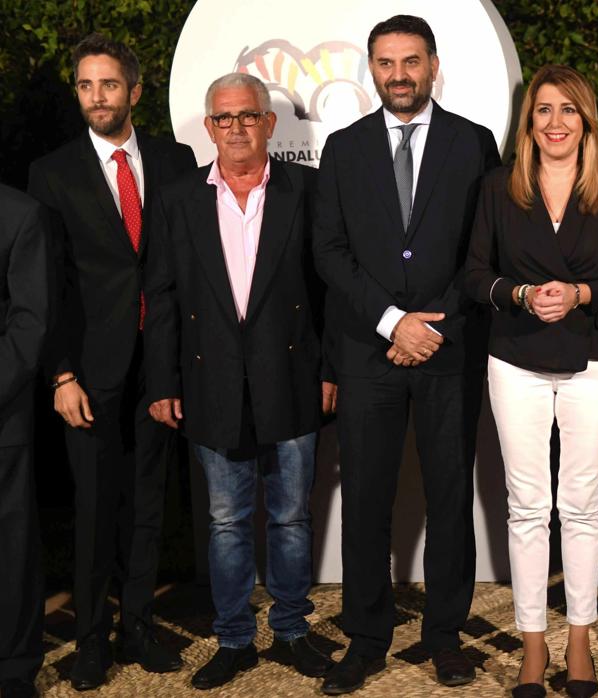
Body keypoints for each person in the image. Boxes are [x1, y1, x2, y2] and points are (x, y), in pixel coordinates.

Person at [312, 14, 501, 695]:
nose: (399, 74)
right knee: (365, 498)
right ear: (372, 68)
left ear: (433, 65)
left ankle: (446, 637)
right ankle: (365, 638)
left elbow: (486, 250)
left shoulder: (474, 144)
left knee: (451, 496)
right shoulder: (343, 148)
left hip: (448, 352)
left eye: (411, 61)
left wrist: (434, 326)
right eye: (386, 62)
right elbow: (328, 250)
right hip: (369, 352)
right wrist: (394, 323)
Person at [142, 72, 335, 689]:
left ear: (270, 124)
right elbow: (163, 297)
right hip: (210, 384)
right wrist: (162, 382)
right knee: (226, 521)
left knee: (291, 518)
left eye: (248, 116)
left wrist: (331, 369)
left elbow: (329, 291)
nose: (236, 129)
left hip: (293, 378)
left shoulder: (307, 189)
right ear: (209, 128)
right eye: (224, 119)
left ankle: (293, 630)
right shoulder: (178, 199)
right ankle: (232, 639)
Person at [464, 64, 598, 698]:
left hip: (595, 358)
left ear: (587, 121)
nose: (556, 122)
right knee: (526, 506)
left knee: (581, 505)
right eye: (543, 110)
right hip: (514, 357)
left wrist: (583, 293)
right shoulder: (498, 188)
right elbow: (474, 277)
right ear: (528, 122)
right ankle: (533, 646)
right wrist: (517, 292)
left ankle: (579, 640)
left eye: (568, 110)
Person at [26, 33, 197, 691]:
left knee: (150, 504)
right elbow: (46, 286)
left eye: (109, 85)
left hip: (160, 366)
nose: (97, 97)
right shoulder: (53, 171)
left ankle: (142, 631)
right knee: (94, 506)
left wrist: (182, 365)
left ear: (134, 91)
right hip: (88, 372)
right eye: (86, 86)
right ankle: (91, 640)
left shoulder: (176, 160)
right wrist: (60, 374)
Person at [0, 186, 51, 698]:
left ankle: (13, 668)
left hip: (1, 413)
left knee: (9, 543)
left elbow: (29, 320)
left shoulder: (18, 214)